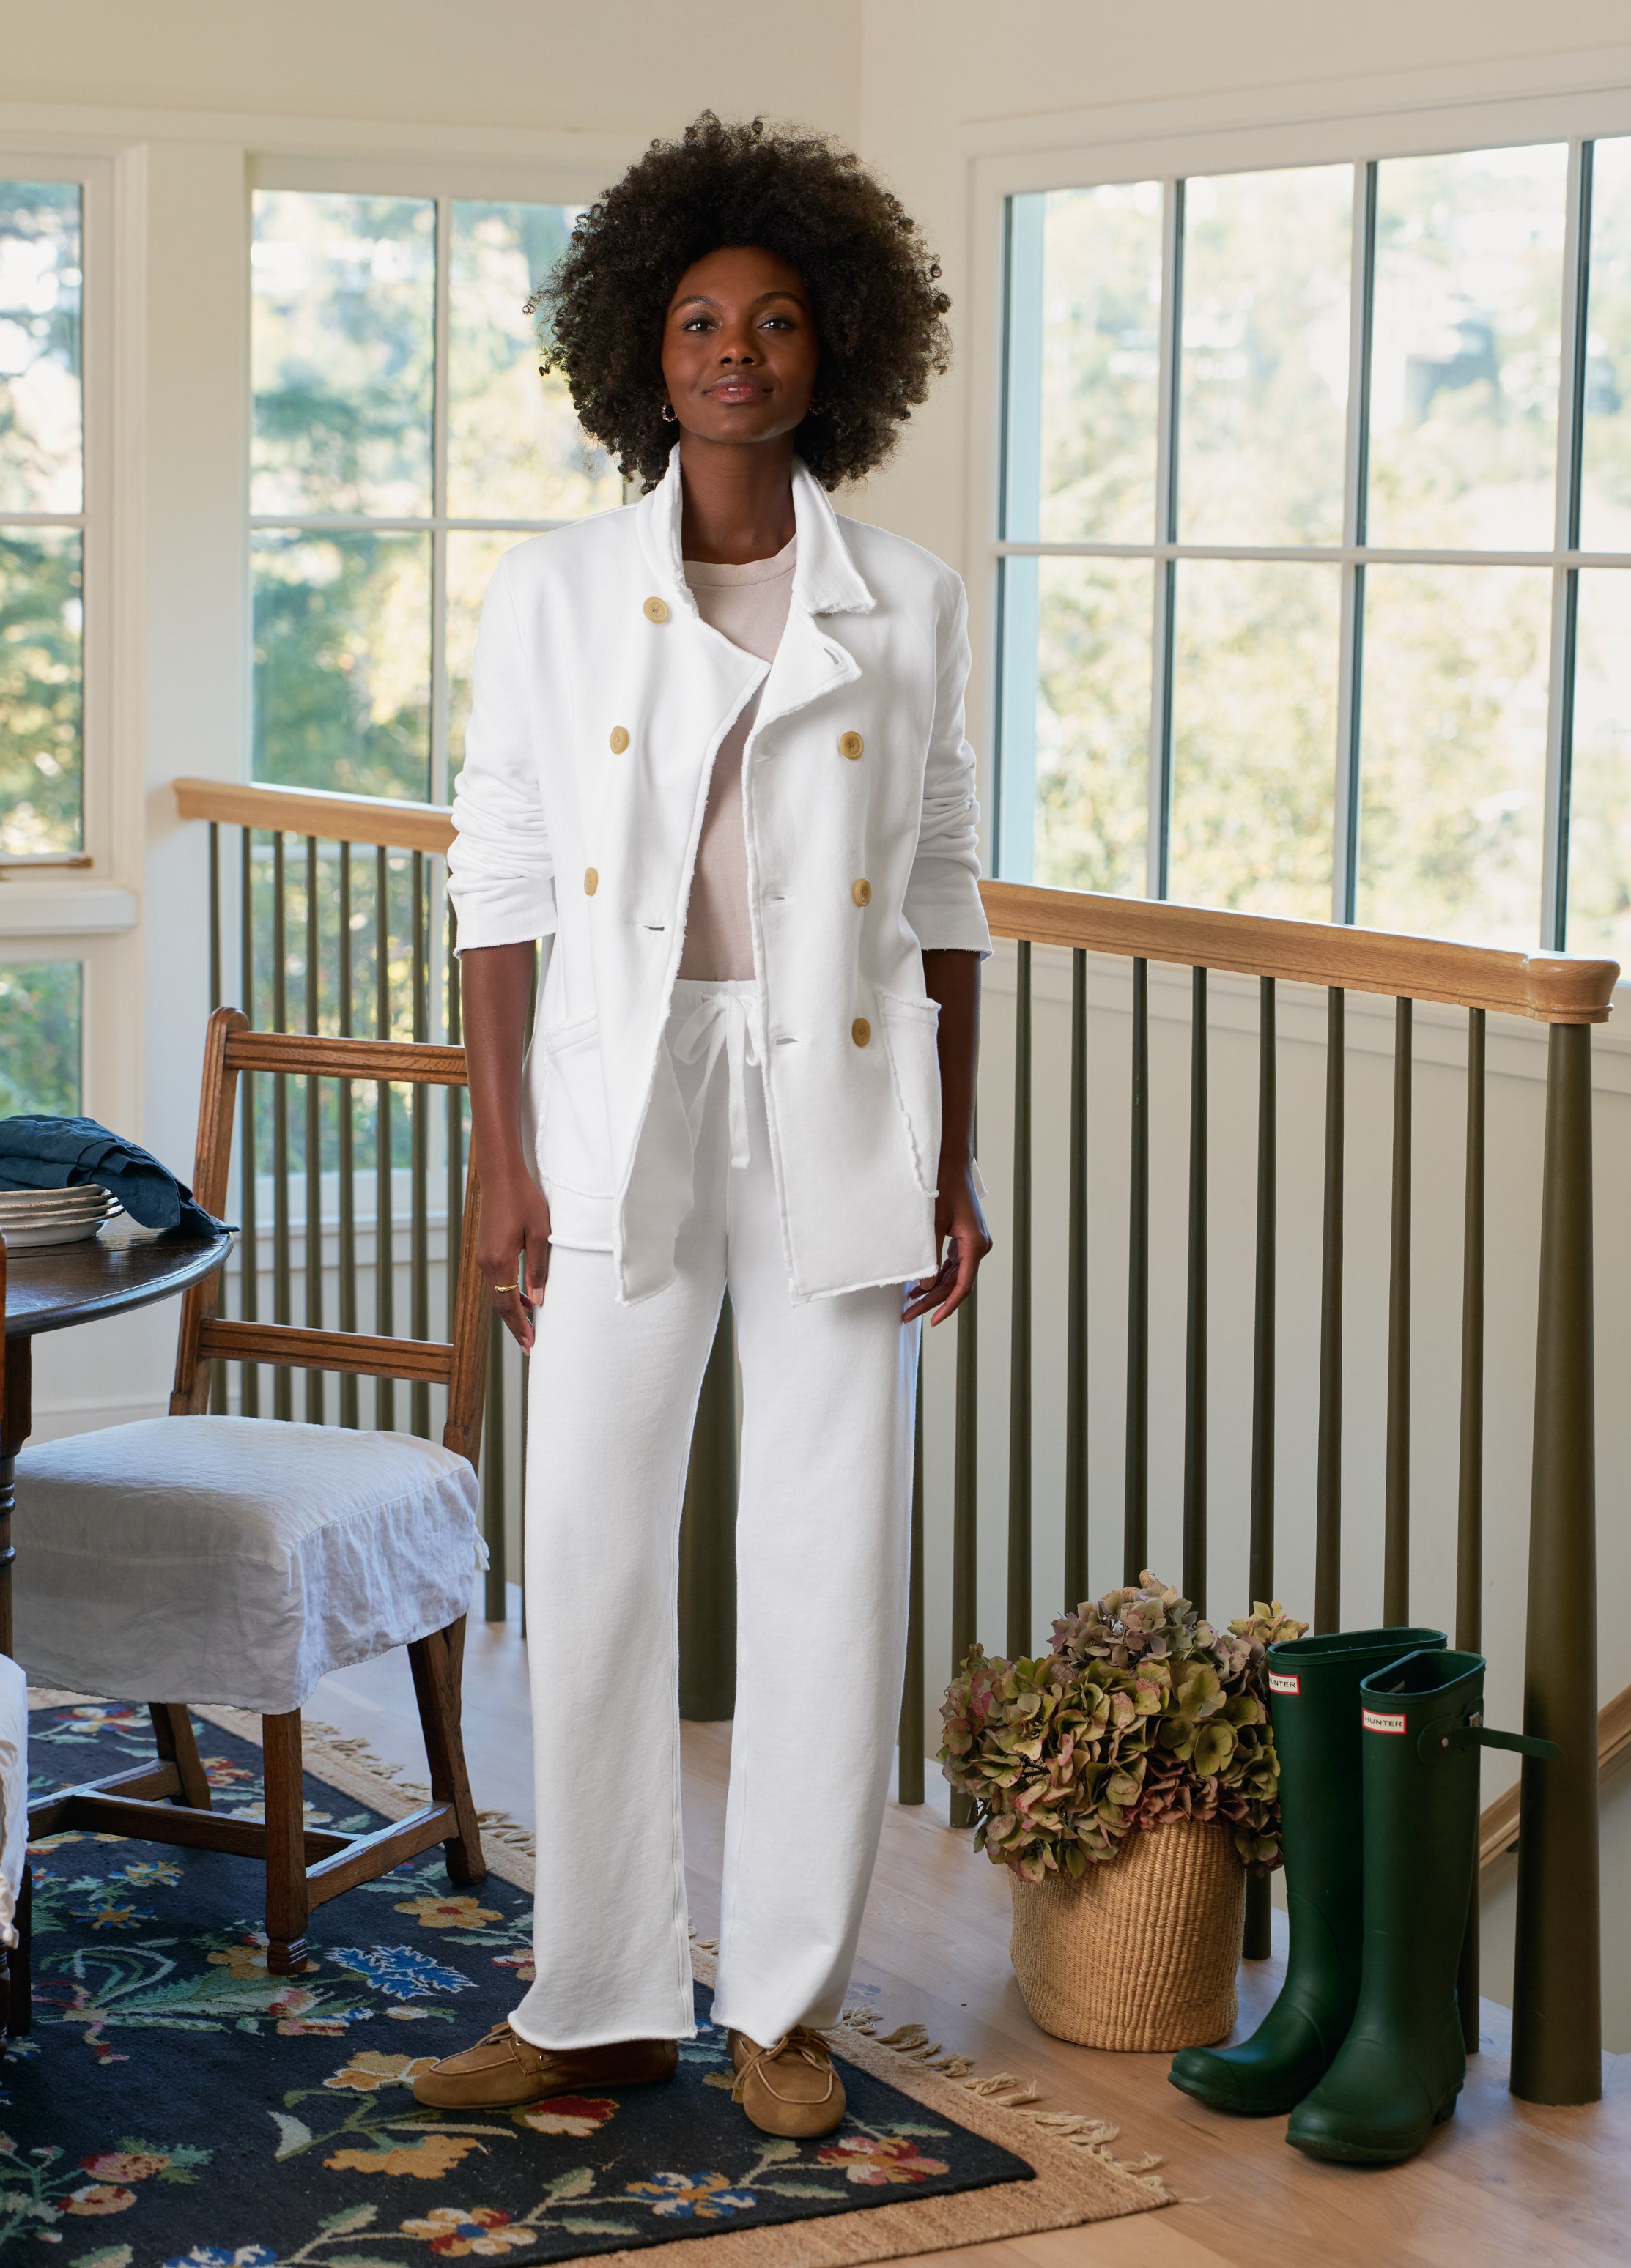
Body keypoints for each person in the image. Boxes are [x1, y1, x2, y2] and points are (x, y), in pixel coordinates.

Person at [415, 112, 991, 2141]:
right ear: (639, 354)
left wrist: (955, 1155)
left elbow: (938, 894)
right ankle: (590, 2000)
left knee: (829, 1556)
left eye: (767, 321)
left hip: (837, 1098)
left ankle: (781, 2008)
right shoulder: (559, 591)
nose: (731, 351)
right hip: (613, 1097)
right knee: (582, 1547)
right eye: (693, 321)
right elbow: (492, 878)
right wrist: (503, 1156)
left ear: (832, 351)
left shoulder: (907, 599)